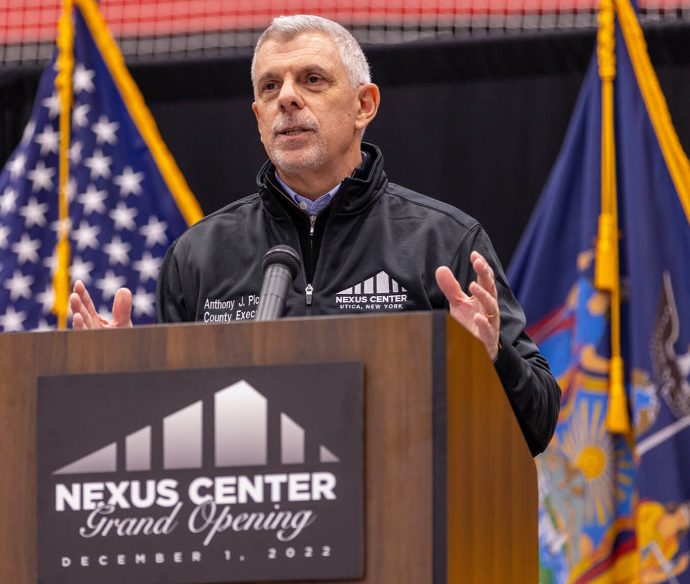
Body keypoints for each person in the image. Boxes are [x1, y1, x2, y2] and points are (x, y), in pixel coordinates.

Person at [70, 14, 560, 455]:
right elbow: (171, 443)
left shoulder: (442, 241)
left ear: (364, 105)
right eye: (269, 87)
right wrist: (123, 381)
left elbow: (537, 424)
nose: (286, 97)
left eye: (312, 80)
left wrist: (493, 358)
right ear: (258, 117)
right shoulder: (198, 256)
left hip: (406, 532)